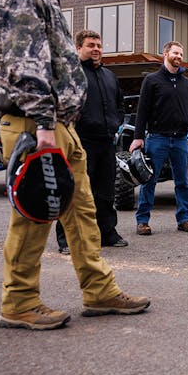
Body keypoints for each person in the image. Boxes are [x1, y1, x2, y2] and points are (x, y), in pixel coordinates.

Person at [0, 0, 149, 330]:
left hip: (58, 125)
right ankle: (19, 303)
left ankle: (99, 290)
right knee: (34, 217)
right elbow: (25, 66)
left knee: (83, 214)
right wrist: (43, 127)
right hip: (34, 124)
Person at [55, 30, 127, 254]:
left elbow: (120, 105)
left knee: (106, 192)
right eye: (90, 45)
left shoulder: (109, 76)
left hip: (106, 142)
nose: (96, 49)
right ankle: (66, 238)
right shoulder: (71, 75)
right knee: (74, 191)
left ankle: (107, 233)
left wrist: (116, 125)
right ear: (78, 48)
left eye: (98, 45)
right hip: (80, 142)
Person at [129, 41, 188, 235]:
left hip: (180, 140)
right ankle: (142, 221)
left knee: (183, 181)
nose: (179, 56)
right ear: (165, 54)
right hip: (157, 138)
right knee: (149, 180)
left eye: (181, 54)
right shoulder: (152, 80)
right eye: (175, 53)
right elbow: (142, 111)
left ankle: (184, 219)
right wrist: (138, 137)